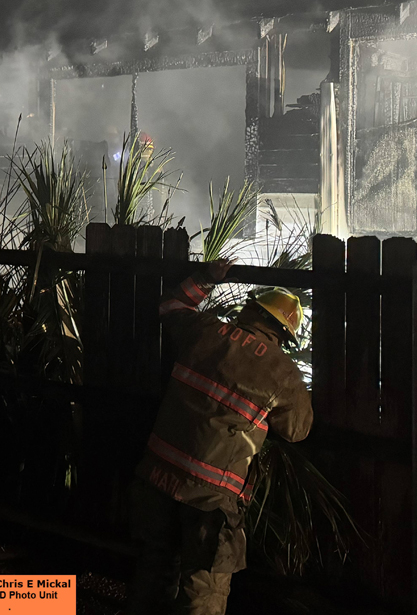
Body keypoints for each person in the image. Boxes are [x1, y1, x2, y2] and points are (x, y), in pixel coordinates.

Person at [128, 258, 313, 615]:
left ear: (252, 311)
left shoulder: (205, 331)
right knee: (204, 592)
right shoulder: (282, 372)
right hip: (211, 500)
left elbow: (170, 306)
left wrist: (206, 278)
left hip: (157, 476)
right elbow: (296, 430)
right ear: (284, 335)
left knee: (152, 573)